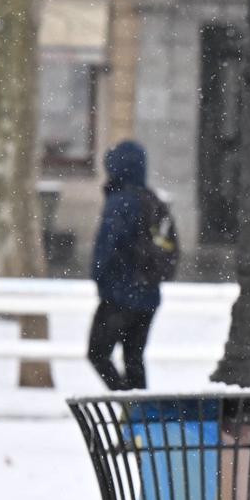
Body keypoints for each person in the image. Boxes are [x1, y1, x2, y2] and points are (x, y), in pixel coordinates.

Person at [87, 139, 170, 392]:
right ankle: (141, 411)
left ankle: (128, 402)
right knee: (134, 359)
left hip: (119, 296)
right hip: (148, 297)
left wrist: (101, 278)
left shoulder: (119, 203)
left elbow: (106, 248)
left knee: (98, 353)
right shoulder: (152, 200)